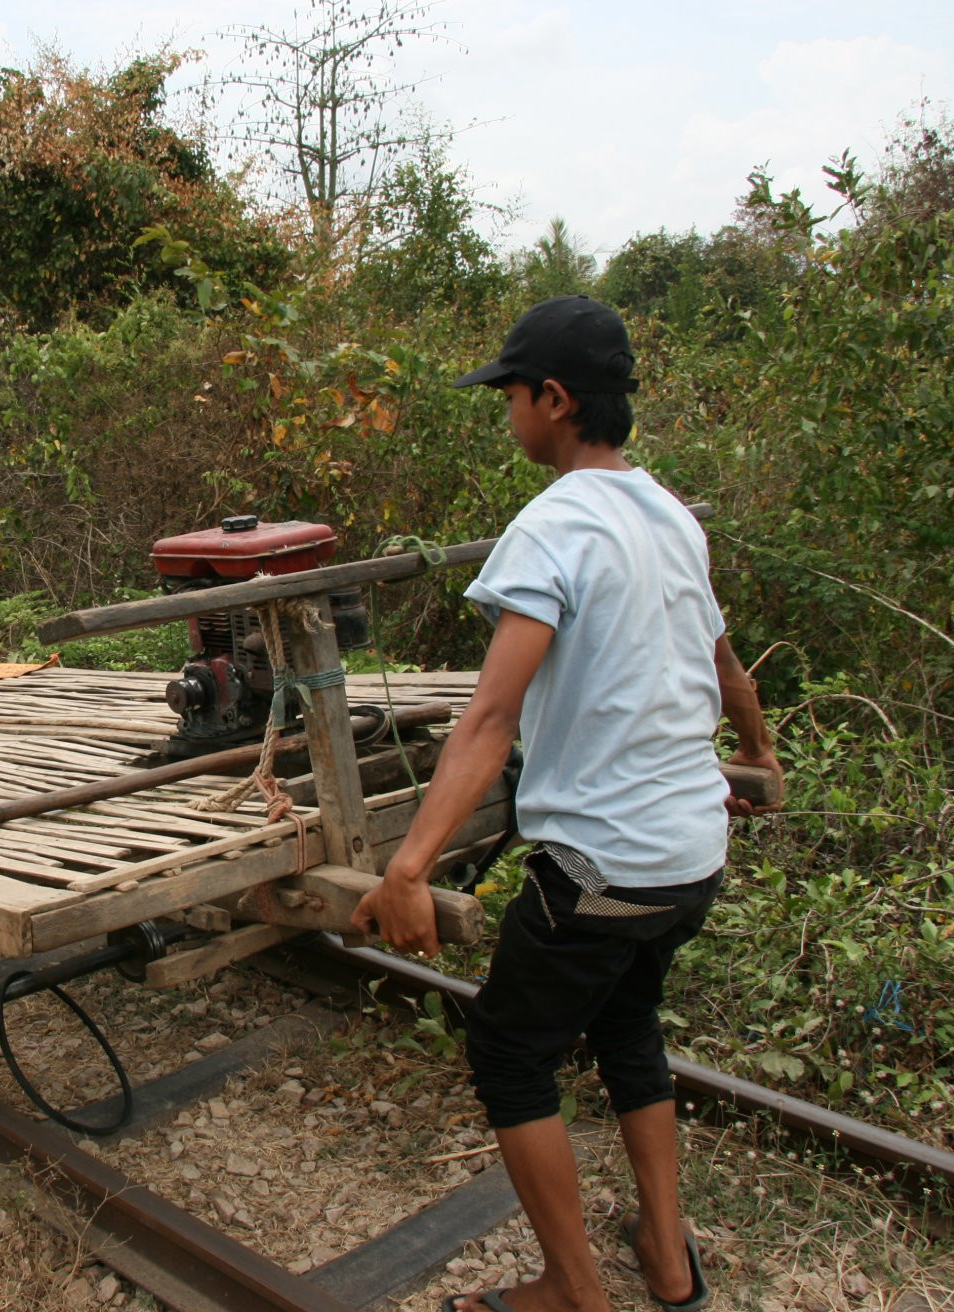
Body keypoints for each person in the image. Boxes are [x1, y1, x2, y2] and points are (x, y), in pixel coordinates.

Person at [351, 296, 783, 1312]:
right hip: (691, 854)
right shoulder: (670, 511)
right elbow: (721, 661)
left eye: (511, 394)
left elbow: (490, 716)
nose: (507, 413)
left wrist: (407, 866)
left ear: (555, 398)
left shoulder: (552, 525)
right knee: (629, 1026)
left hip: (604, 865)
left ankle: (573, 1288)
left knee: (507, 1050)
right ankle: (668, 1265)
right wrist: (758, 751)